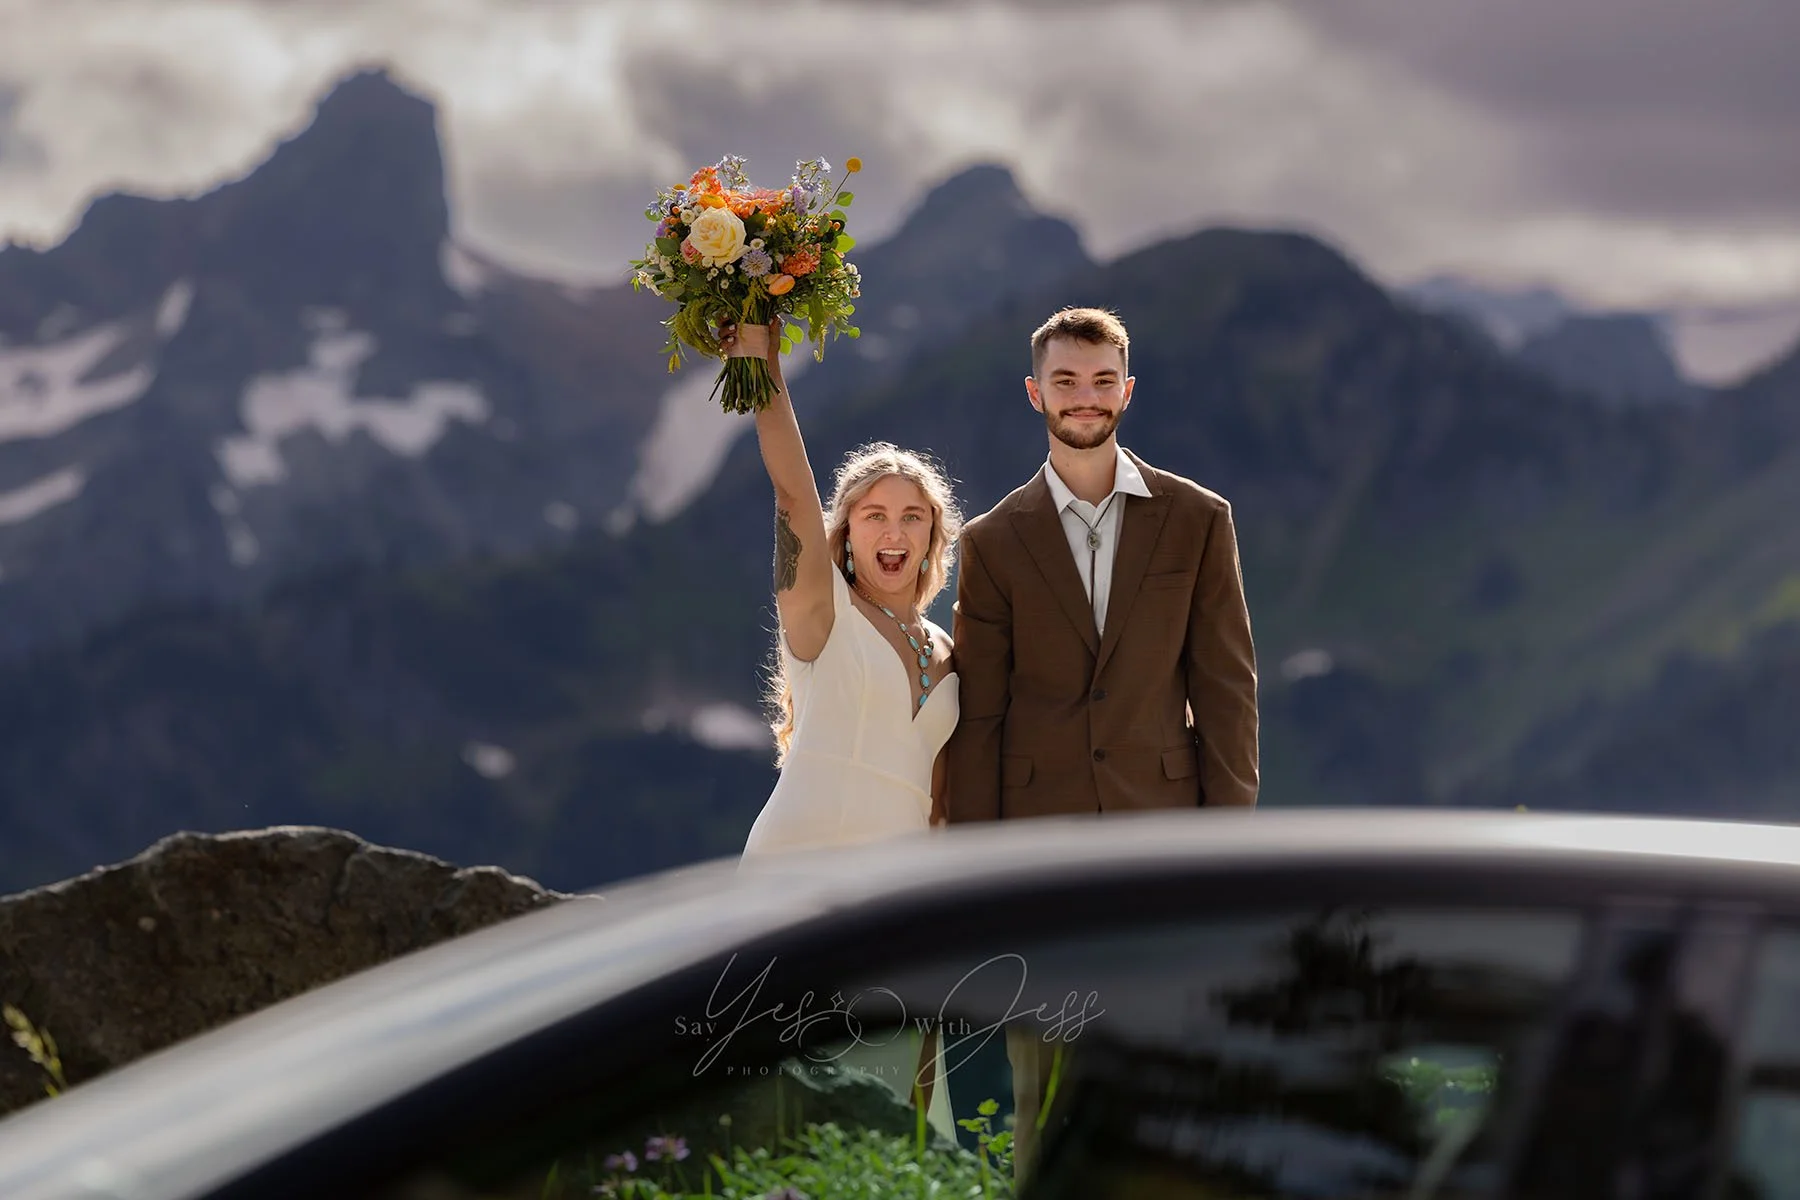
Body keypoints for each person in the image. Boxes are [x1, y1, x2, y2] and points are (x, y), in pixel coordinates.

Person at [944, 305, 1260, 1182]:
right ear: (1034, 392)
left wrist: (1229, 846)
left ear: (1127, 387)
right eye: (1065, 380)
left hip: (1163, 830)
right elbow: (982, 717)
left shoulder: (1198, 520)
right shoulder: (995, 541)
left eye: (1100, 379)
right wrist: (971, 869)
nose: (1083, 397)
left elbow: (1227, 691)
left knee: (1159, 1063)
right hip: (1035, 844)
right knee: (1038, 1075)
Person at [724, 318, 962, 1144]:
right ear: (846, 534)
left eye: (911, 517)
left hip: (899, 900)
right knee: (784, 1112)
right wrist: (762, 362)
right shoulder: (820, 615)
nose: (892, 532)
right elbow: (791, 490)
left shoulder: (951, 652)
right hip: (801, 872)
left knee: (898, 1129)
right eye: (872, 515)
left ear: (935, 536)